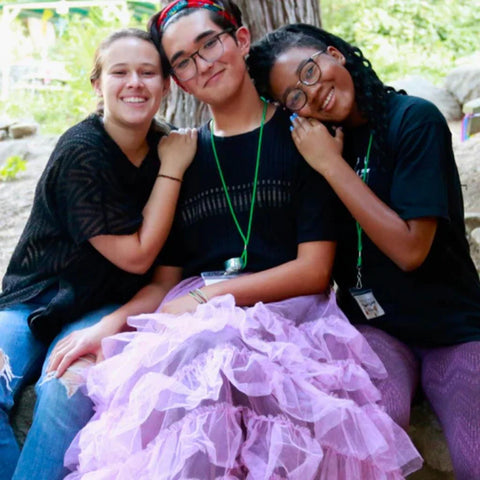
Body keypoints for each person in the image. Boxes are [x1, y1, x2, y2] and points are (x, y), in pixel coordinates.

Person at [60, 2, 422, 478]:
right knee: (198, 368)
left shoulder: (302, 136)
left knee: (222, 343)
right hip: (197, 325)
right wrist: (106, 327)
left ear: (242, 40)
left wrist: (210, 298)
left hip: (289, 317)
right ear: (179, 82)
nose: (203, 64)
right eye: (183, 61)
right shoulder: (181, 156)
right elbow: (164, 284)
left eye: (209, 43)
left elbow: (314, 274)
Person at [246, 23, 480, 480]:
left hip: (451, 328)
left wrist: (332, 167)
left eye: (311, 71)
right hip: (376, 332)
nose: (312, 94)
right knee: (368, 437)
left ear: (336, 54)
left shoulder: (413, 120)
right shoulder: (315, 145)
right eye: (294, 96)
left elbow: (411, 250)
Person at [0, 27, 196, 480]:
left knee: (65, 389)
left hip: (107, 302)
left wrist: (111, 325)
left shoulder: (176, 152)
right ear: (97, 84)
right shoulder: (81, 152)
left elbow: (162, 279)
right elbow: (138, 256)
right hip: (37, 294)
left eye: (148, 72)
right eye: (120, 72)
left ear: (166, 85)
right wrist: (171, 171)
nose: (135, 83)